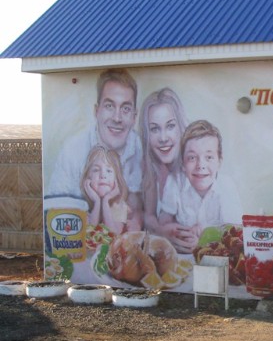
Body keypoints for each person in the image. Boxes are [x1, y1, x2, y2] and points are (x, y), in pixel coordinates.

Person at [47, 69, 143, 224]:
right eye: (109, 106)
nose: (117, 118)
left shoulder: (142, 149)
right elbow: (55, 211)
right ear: (96, 111)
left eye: (125, 108)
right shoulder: (72, 151)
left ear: (134, 117)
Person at [159, 120, 242, 252]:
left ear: (219, 162)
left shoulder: (227, 186)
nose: (200, 165)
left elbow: (235, 233)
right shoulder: (175, 182)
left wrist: (203, 240)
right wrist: (175, 232)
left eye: (209, 157)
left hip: (218, 257)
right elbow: (164, 223)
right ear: (183, 163)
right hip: (183, 257)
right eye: (192, 158)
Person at [138, 88, 196, 252]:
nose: (163, 138)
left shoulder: (195, 169)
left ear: (181, 127)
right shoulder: (150, 167)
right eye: (155, 129)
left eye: (170, 126)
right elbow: (148, 215)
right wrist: (160, 232)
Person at [81, 145, 142, 235]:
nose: (103, 175)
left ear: (117, 179)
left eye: (109, 171)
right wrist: (97, 202)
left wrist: (105, 201)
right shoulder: (82, 205)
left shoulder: (119, 206)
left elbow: (113, 233)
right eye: (96, 170)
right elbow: (89, 233)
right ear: (88, 178)